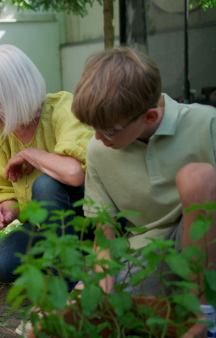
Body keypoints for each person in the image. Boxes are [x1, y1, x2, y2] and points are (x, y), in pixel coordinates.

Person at [71, 46, 216, 334]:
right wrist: (97, 280)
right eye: (93, 127)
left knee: (196, 178)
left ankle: (202, 315)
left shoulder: (206, 122)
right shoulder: (99, 149)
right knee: (97, 305)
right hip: (153, 252)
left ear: (149, 117)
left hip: (210, 245)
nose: (98, 137)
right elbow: (104, 227)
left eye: (108, 129)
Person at [0, 44, 95, 285]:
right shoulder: (1, 129)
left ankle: (67, 283)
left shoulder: (64, 108)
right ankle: (65, 261)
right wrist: (7, 210)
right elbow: (6, 189)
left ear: (18, 91)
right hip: (46, 229)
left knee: (47, 184)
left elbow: (74, 174)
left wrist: (30, 154)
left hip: (87, 222)